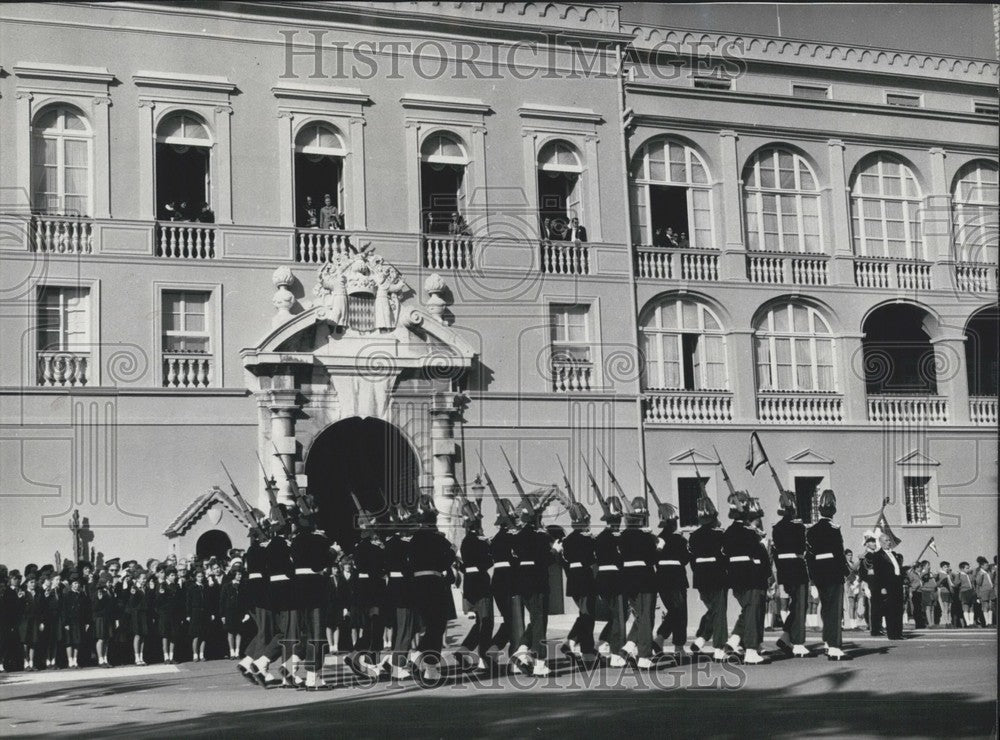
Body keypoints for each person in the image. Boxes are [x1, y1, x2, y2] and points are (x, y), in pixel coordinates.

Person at [409, 494, 456, 682]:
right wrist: (451, 551)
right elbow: (445, 561)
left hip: (417, 585)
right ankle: (429, 665)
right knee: (437, 626)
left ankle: (420, 656)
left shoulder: (413, 540)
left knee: (429, 626)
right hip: (434, 584)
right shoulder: (438, 540)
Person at [510, 499, 555, 677]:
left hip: (523, 583)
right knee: (540, 622)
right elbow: (547, 560)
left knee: (536, 620)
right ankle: (540, 662)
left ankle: (522, 650)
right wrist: (555, 551)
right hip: (538, 582)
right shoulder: (540, 537)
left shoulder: (517, 537)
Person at [723, 492, 769, 665]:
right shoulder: (749, 533)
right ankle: (750, 650)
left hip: (735, 578)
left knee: (747, 610)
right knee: (752, 612)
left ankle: (734, 640)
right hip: (751, 576)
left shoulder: (728, 532)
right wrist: (762, 545)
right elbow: (758, 557)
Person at [806, 490, 850, 660]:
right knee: (834, 611)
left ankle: (827, 641)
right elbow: (839, 554)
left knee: (826, 610)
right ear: (833, 509)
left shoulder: (812, 530)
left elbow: (809, 557)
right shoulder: (834, 529)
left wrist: (812, 579)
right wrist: (845, 572)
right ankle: (834, 646)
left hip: (819, 575)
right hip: (833, 573)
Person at [619, 497, 658, 669]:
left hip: (627, 579)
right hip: (645, 579)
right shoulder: (647, 537)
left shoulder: (621, 537)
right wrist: (659, 547)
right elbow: (652, 559)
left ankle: (628, 648)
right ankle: (644, 656)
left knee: (641, 616)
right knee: (647, 617)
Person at [457, 495, 494, 673]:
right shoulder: (480, 542)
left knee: (480, 622)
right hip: (481, 583)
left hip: (470, 584)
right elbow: (488, 562)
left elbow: (463, 565)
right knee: (487, 622)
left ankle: (464, 650)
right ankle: (483, 658)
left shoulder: (464, 542)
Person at [689, 492, 728, 661]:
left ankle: (701, 638)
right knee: (719, 613)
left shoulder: (693, 536)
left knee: (713, 610)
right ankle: (719, 647)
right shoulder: (719, 534)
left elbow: (692, 560)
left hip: (700, 577)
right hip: (717, 576)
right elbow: (724, 556)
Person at [771, 490, 810, 657]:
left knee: (795, 606)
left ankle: (786, 636)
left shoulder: (777, 528)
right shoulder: (798, 527)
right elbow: (802, 547)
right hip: (797, 567)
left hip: (784, 570)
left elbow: (777, 553)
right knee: (800, 605)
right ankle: (799, 643)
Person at [560, 500, 597, 663]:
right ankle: (587, 651)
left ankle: (571, 642)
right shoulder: (588, 540)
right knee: (587, 615)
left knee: (584, 614)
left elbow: (563, 561)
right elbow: (593, 560)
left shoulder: (566, 541)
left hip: (573, 581)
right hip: (586, 579)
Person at [383, 505, 416, 680]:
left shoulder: (389, 544)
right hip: (404, 589)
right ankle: (398, 665)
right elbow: (408, 568)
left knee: (398, 629)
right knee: (405, 629)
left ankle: (394, 661)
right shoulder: (404, 545)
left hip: (393, 589)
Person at [487, 498, 523, 661]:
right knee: (515, 621)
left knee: (509, 620)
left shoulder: (494, 540)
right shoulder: (514, 538)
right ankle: (513, 656)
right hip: (511, 581)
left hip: (497, 581)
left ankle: (494, 649)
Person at [594, 496, 627, 667]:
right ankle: (616, 653)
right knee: (620, 616)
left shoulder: (599, 538)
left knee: (618, 615)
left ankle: (604, 641)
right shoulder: (618, 538)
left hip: (603, 580)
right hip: (616, 579)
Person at [61, 576, 90, 669]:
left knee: (78, 641)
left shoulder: (82, 595)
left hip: (80, 621)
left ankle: (75, 660)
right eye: (74, 584)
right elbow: (64, 610)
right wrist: (65, 623)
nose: (76, 585)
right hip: (70, 622)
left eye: (77, 583)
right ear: (71, 585)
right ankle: (70, 661)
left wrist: (87, 622)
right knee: (69, 642)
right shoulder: (67, 595)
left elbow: (86, 610)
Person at [126, 571, 152, 666]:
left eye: (145, 579)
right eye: (143, 578)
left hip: (144, 614)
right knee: (137, 635)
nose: (144, 580)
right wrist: (134, 593)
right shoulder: (134, 588)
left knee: (143, 635)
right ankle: (136, 657)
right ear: (137, 579)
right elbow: (131, 603)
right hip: (136, 614)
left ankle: (141, 656)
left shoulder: (146, 588)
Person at [91, 574, 117, 667]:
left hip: (108, 618)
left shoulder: (110, 591)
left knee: (107, 639)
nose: (110, 583)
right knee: (101, 639)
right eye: (108, 582)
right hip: (100, 618)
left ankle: (105, 659)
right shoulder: (98, 592)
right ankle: (100, 660)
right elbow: (94, 607)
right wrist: (99, 599)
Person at [186, 568, 211, 662]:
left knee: (203, 635)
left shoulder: (205, 587)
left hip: (204, 613)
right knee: (195, 635)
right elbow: (188, 602)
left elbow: (209, 602)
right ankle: (195, 654)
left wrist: (210, 613)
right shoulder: (192, 588)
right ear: (195, 577)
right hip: (195, 613)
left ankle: (202, 654)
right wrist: (188, 614)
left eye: (202, 576)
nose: (200, 578)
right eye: (198, 576)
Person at [973, 556, 993, 627]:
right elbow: (978, 583)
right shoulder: (980, 573)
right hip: (984, 591)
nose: (987, 566)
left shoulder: (988, 572)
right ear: (982, 566)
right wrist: (980, 576)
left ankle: (990, 622)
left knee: (990, 606)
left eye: (987, 565)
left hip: (990, 590)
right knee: (985, 606)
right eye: (986, 565)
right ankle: (987, 622)